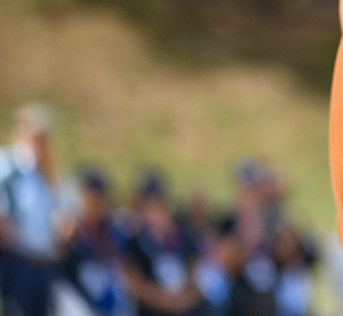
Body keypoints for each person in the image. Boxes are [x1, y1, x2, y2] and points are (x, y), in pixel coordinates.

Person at [0, 103, 72, 316]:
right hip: (17, 262)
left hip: (45, 265)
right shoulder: (8, 165)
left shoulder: (48, 177)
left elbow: (62, 216)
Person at [123, 172, 203, 316]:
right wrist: (163, 299)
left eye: (158, 202)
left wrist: (183, 299)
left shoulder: (185, 237)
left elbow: (196, 279)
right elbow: (134, 283)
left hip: (185, 307)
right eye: (149, 203)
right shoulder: (135, 241)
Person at [61, 168, 131, 316]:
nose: (95, 204)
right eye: (90, 197)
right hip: (78, 304)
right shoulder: (70, 231)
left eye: (99, 198)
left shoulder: (116, 233)